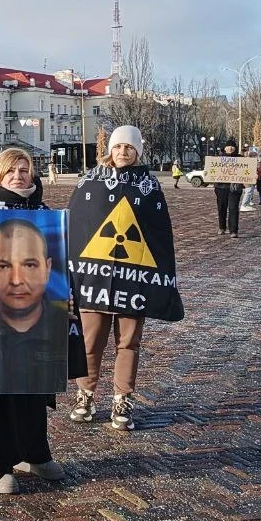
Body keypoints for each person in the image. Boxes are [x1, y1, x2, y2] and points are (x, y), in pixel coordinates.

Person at [69, 125, 178, 431]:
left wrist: (162, 276)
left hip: (135, 278)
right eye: (118, 147)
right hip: (93, 277)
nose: (122, 152)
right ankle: (85, 396)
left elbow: (158, 235)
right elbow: (76, 225)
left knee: (128, 342)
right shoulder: (90, 181)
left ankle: (122, 399)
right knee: (90, 341)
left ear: (138, 151)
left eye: (129, 148)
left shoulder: (149, 185)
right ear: (110, 150)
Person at [0, 149, 65, 495]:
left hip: (37, 313)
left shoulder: (44, 214)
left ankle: (34, 452)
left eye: (25, 169)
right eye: (11, 170)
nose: (19, 175)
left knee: (35, 383)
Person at [0, 217, 67, 398]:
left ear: (47, 268)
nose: (17, 280)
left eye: (29, 265)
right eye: (3, 266)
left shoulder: (63, 327)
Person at [213, 138, 243, 238]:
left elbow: (247, 172)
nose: (230, 148)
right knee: (222, 207)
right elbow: (211, 170)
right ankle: (222, 227)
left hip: (235, 188)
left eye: (232, 146)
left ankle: (233, 230)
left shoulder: (241, 159)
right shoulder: (218, 158)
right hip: (221, 187)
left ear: (235, 148)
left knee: (233, 208)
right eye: (228, 146)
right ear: (224, 148)